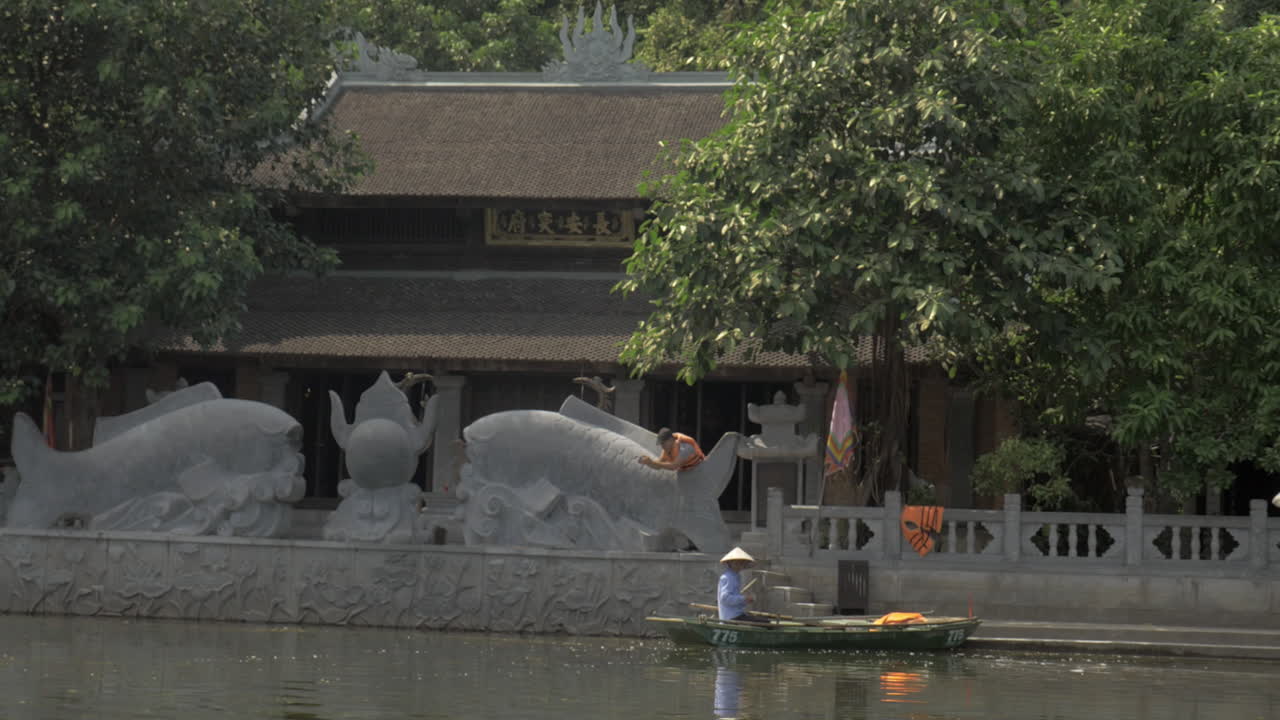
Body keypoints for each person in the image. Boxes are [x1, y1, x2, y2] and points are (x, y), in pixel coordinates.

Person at [717, 547, 768, 623]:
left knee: (763, 619)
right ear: (730, 563)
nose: (739, 565)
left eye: (741, 562)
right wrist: (744, 598)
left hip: (737, 615)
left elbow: (734, 601)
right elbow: (725, 598)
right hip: (731, 617)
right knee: (766, 623)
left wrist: (746, 600)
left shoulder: (736, 576)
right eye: (736, 562)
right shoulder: (728, 577)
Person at [637, 427, 705, 471]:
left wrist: (651, 462)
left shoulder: (685, 447)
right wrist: (647, 462)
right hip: (687, 473)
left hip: (700, 469)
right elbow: (658, 466)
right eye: (661, 444)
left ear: (671, 440)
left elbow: (673, 466)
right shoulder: (667, 450)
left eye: (663, 443)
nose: (662, 446)